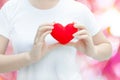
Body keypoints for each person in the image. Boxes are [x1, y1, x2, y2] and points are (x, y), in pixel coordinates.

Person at [0, 0, 112, 80]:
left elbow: (106, 48)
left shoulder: (78, 10)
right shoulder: (11, 9)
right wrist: (29, 57)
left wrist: (92, 51)